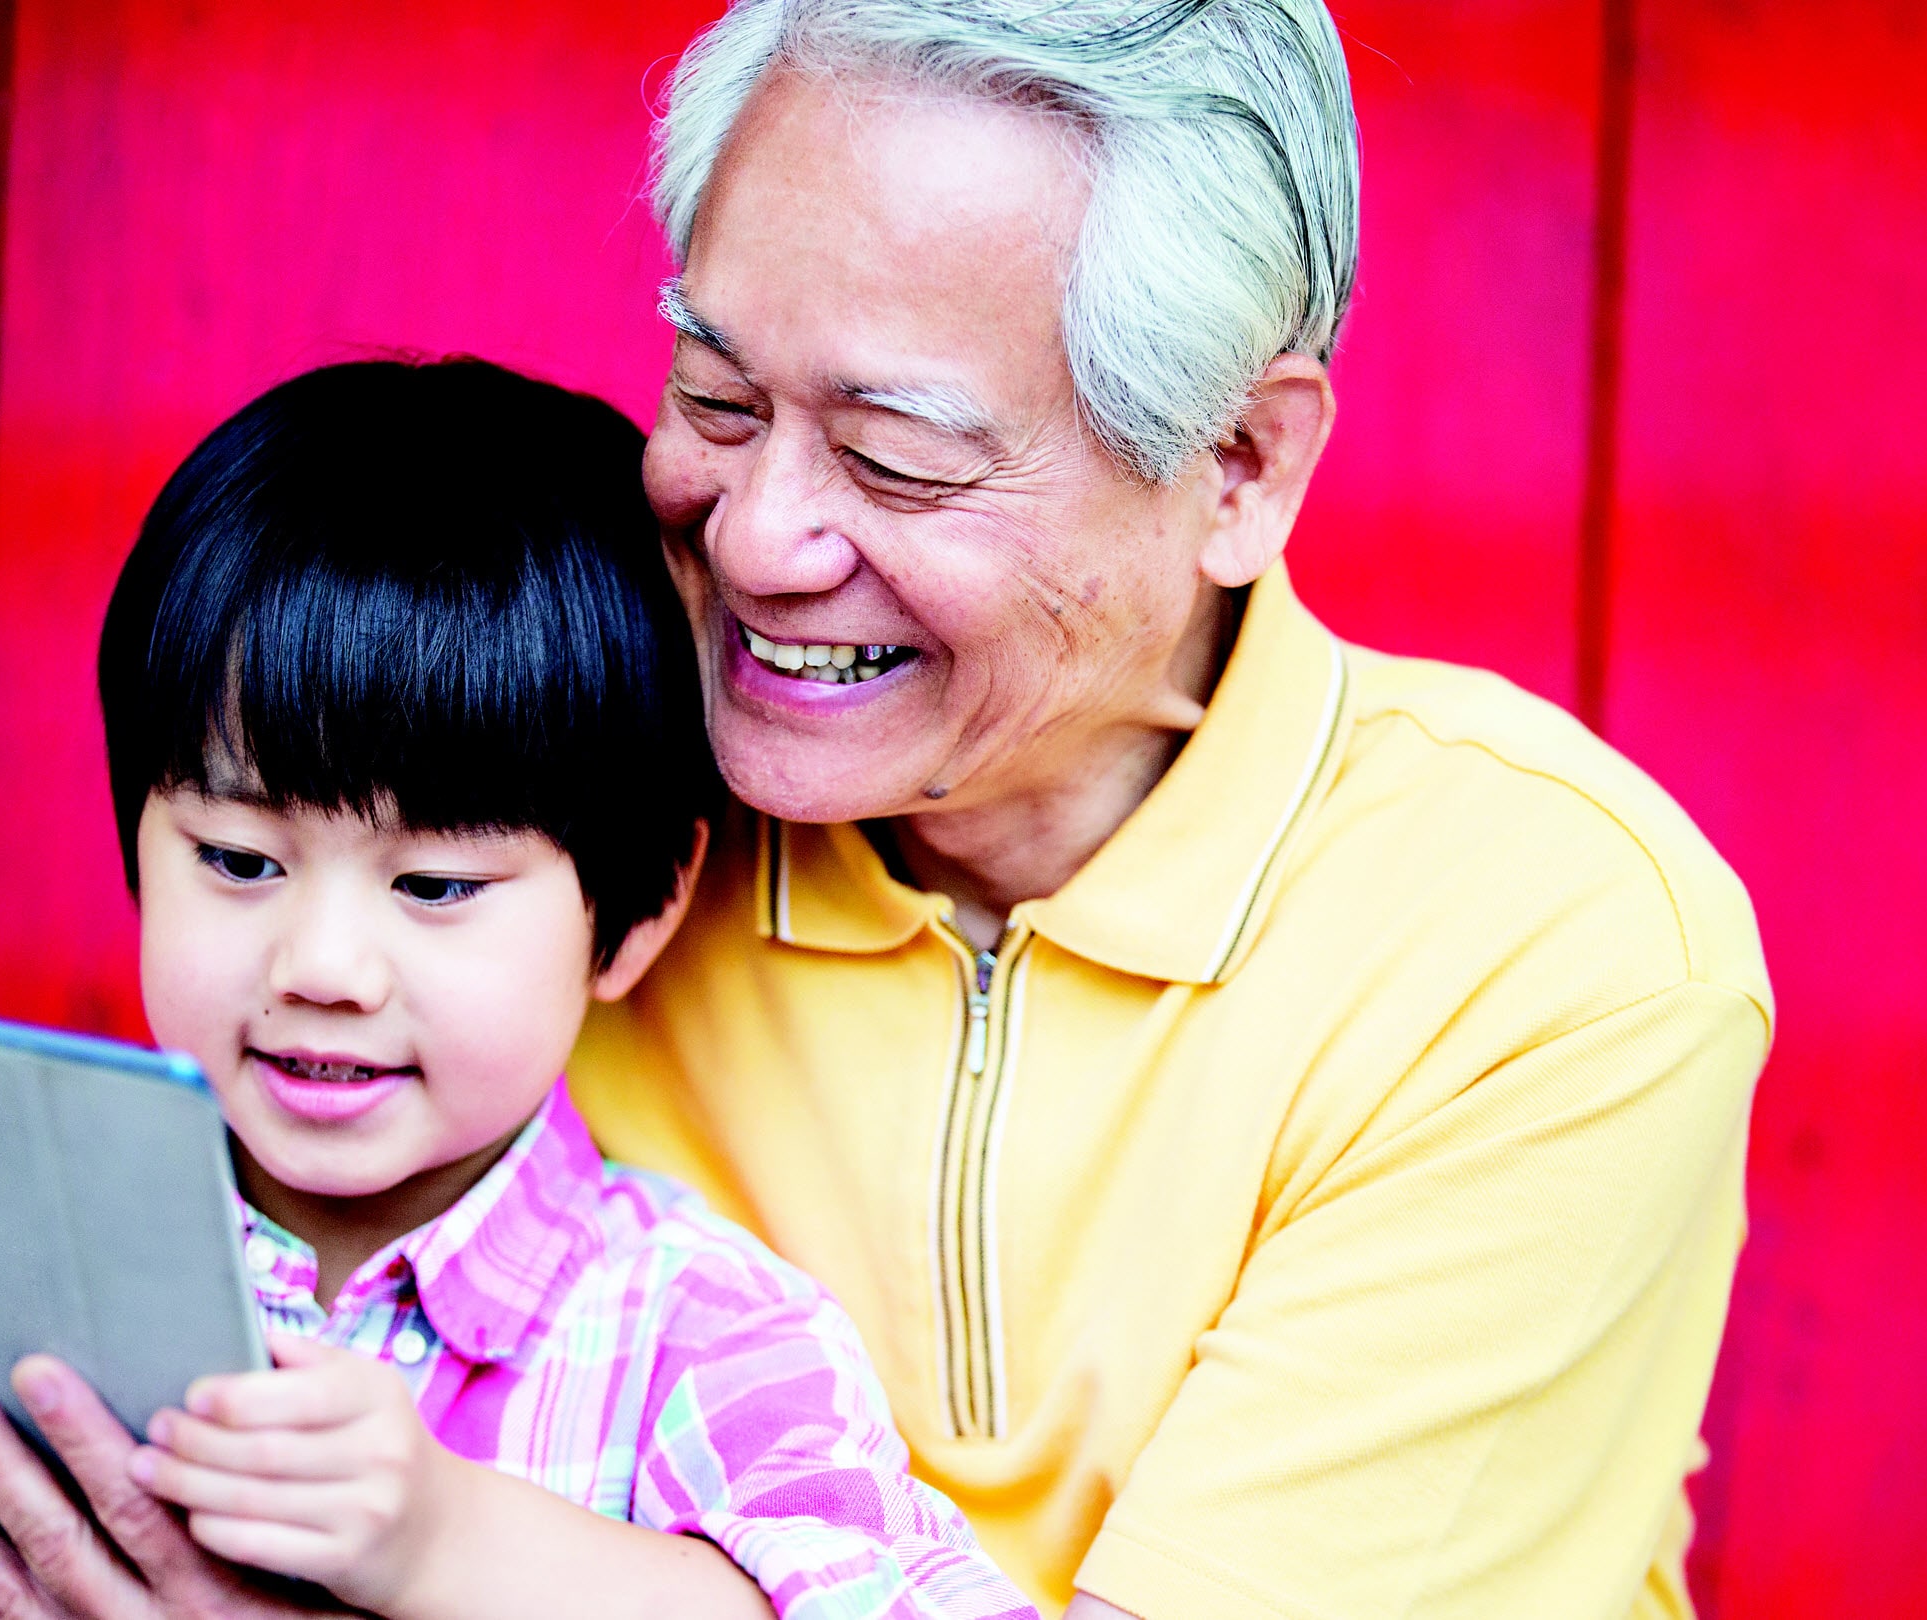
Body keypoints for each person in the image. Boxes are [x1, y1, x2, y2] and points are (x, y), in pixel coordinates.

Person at [0, 359, 1037, 1620]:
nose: (324, 971)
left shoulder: (698, 1335)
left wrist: (437, 1549)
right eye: (238, 859)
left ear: (636, 912)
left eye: (435, 888)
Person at [562, 3, 1778, 1618]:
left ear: (1240, 465)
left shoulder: (1547, 948)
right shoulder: (532, 808)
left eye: (898, 461)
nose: (760, 538)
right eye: (718, 401)